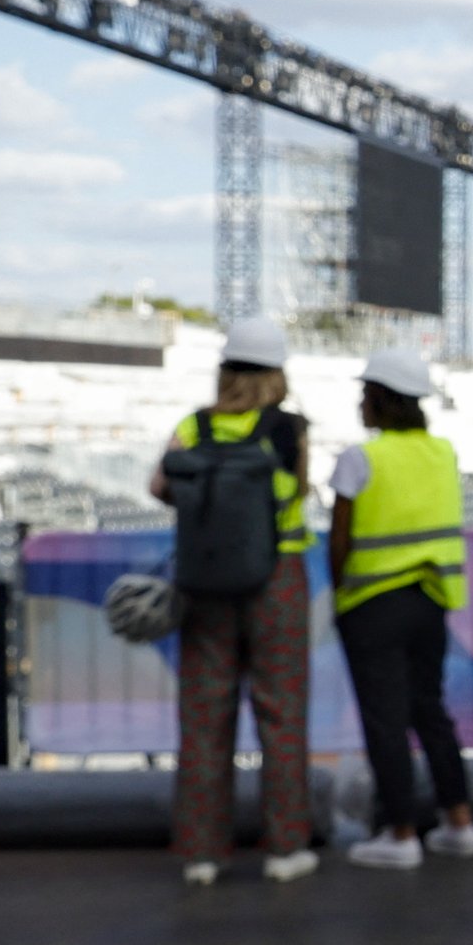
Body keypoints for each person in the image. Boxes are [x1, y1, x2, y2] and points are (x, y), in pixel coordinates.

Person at [150, 316, 318, 888]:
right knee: (282, 714)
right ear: (278, 372)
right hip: (277, 581)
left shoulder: (194, 427)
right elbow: (296, 491)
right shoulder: (287, 429)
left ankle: (201, 852)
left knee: (203, 719)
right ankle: (286, 848)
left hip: (205, 585)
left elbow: (159, 486)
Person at [328, 347, 473, 871]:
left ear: (381, 399)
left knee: (385, 721)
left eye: (365, 393)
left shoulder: (360, 458)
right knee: (430, 711)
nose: (359, 403)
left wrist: (339, 593)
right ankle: (459, 823)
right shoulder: (442, 453)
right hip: (430, 601)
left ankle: (400, 833)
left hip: (372, 605)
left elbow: (340, 539)